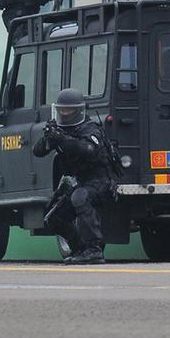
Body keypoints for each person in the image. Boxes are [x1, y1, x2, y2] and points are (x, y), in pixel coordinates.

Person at [33, 88, 116, 265]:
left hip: (102, 182)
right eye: (61, 110)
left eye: (68, 110)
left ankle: (94, 249)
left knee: (80, 197)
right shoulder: (60, 130)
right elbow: (38, 151)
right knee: (53, 216)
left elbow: (88, 150)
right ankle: (80, 249)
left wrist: (62, 139)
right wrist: (49, 137)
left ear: (78, 110)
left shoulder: (90, 128)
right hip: (82, 182)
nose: (64, 113)